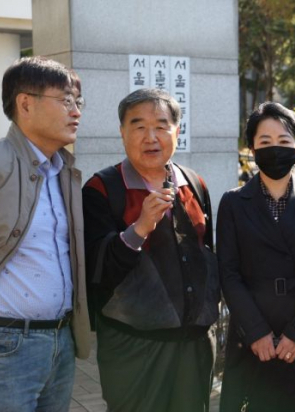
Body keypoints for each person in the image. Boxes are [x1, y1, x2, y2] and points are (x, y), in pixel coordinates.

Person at [82, 88, 219, 412]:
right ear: (122, 131)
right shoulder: (103, 188)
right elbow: (96, 271)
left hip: (195, 346)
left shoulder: (194, 184)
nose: (150, 136)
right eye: (138, 126)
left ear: (177, 131)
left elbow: (207, 252)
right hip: (133, 349)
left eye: (161, 125)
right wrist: (141, 226)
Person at [217, 102, 295, 412]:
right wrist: (256, 332)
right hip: (252, 335)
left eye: (284, 142)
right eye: (265, 142)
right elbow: (228, 274)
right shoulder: (232, 202)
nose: (275, 149)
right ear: (252, 148)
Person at [0, 56, 91, 410]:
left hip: (60, 341)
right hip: (5, 343)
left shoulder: (65, 172)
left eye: (78, 102)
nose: (76, 112)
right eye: (65, 100)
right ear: (25, 104)